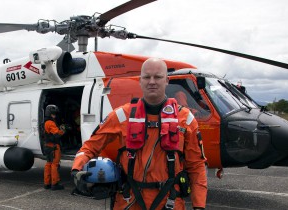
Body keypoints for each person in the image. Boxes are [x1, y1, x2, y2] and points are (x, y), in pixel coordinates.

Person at [71, 58, 207, 209]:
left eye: (158, 77)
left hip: (169, 201)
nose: (152, 81)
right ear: (140, 80)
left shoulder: (185, 120)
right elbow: (90, 146)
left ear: (167, 80)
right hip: (129, 200)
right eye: (147, 77)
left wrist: (199, 205)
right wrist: (77, 169)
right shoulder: (122, 115)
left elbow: (197, 167)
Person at [43, 105, 66, 190]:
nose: (54, 116)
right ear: (50, 114)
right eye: (53, 114)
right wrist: (62, 131)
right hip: (54, 147)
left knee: (48, 164)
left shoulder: (45, 122)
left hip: (47, 146)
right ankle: (55, 184)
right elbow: (56, 134)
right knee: (55, 165)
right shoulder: (51, 123)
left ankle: (47, 183)